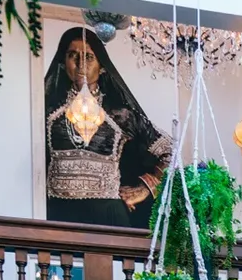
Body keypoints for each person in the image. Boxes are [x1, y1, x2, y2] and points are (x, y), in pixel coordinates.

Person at [43, 25, 172, 228]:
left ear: (102, 66)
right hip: (59, 211)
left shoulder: (119, 115)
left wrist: (147, 187)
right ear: (63, 62)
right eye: (72, 55)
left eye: (89, 57)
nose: (80, 64)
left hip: (109, 214)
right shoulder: (47, 112)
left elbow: (172, 153)